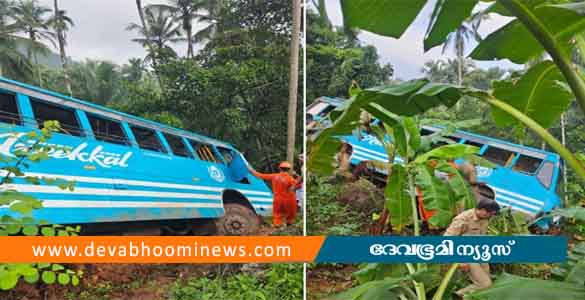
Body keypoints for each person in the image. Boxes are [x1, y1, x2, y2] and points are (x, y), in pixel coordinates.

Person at [444, 199, 501, 297]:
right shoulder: (462, 220)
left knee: (487, 281)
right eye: (490, 214)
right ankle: (458, 295)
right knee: (485, 284)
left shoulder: (485, 218)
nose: (491, 216)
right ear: (483, 210)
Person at [247, 161, 300, 227]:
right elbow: (298, 186)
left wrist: (250, 169)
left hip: (277, 199)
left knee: (277, 214)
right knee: (290, 216)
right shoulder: (290, 179)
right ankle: (289, 227)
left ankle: (277, 226)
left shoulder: (274, 176)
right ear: (289, 170)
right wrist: (297, 177)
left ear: (280, 168)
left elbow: (259, 175)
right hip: (288, 200)